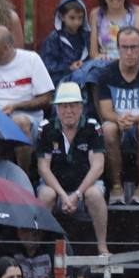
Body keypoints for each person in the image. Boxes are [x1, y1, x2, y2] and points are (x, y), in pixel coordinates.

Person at [36, 82, 109, 255]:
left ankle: (102, 245)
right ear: (57, 109)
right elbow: (43, 168)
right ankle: (40, 246)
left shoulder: (92, 127)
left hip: (84, 187)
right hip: (56, 188)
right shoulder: (46, 128)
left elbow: (98, 166)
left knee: (95, 194)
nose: (68, 111)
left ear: (81, 107)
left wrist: (77, 194)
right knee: (46, 195)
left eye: (73, 106)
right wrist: (63, 195)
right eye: (63, 106)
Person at [0, 26, 54, 168]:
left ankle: (24, 177)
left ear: (6, 48)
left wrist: (16, 106)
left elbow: (47, 98)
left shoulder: (31, 60)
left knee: (19, 122)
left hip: (27, 118)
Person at [95, 26, 139, 206]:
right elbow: (105, 110)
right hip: (118, 125)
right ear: (118, 49)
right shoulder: (107, 73)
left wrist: (133, 120)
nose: (130, 52)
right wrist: (119, 120)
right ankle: (116, 187)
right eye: (125, 47)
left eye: (134, 47)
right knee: (108, 129)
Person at [39, 0, 90, 87]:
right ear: (62, 17)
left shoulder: (85, 36)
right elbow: (48, 64)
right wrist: (69, 68)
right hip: (60, 81)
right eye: (72, 18)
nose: (77, 22)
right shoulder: (54, 38)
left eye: (80, 18)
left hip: (83, 78)